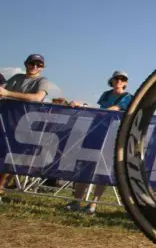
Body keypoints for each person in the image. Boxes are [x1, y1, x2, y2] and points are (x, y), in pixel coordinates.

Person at [66, 71, 133, 215]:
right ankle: (77, 201)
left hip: (113, 133)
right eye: (117, 78)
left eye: (122, 79)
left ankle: (93, 204)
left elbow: (114, 109)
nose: (119, 81)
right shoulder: (106, 94)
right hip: (96, 130)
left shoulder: (127, 97)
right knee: (85, 164)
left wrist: (88, 108)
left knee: (103, 168)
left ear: (126, 82)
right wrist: (81, 104)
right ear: (112, 80)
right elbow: (100, 108)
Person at [0, 54, 53, 197]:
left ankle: (1, 187)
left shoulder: (43, 81)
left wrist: (7, 93)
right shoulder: (16, 78)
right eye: (32, 63)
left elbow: (37, 97)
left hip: (25, 125)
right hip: (5, 120)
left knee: (10, 157)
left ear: (42, 67)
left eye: (39, 64)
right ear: (26, 64)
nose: (35, 66)